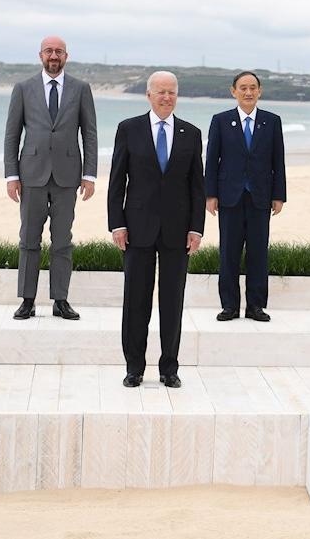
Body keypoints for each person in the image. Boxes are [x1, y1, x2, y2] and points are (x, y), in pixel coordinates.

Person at [108, 71, 204, 389]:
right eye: (160, 91)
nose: (166, 97)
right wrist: (117, 224)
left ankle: (169, 368)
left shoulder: (191, 133)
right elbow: (117, 181)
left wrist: (196, 228)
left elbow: (197, 186)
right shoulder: (128, 129)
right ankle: (134, 367)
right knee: (136, 300)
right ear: (148, 95)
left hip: (178, 230)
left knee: (172, 301)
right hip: (136, 229)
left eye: (172, 92)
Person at [3, 35, 98, 321]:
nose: (53, 56)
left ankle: (60, 300)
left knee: (62, 241)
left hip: (67, 176)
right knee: (28, 239)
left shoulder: (81, 89)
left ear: (66, 56)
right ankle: (27, 301)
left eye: (58, 51)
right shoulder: (23, 88)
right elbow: (12, 134)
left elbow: (89, 133)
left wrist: (89, 174)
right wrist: (11, 175)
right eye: (49, 51)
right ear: (40, 55)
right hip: (31, 174)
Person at [205, 71, 287, 322]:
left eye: (253, 88)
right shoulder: (220, 121)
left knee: (258, 253)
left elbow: (278, 161)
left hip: (260, 197)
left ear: (259, 91)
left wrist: (279, 195)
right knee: (228, 252)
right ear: (233, 91)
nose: (248, 92)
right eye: (243, 88)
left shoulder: (272, 121)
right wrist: (210, 195)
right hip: (229, 196)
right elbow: (212, 160)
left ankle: (256, 306)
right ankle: (229, 306)